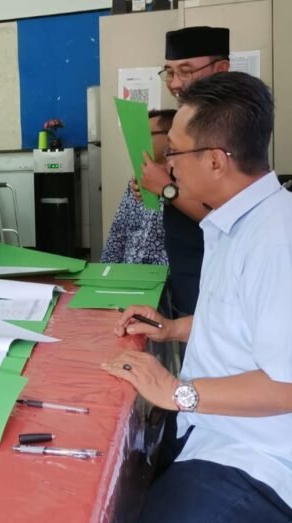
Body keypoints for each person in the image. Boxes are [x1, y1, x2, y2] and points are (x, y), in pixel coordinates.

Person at [105, 72, 292, 522]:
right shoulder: (233, 223)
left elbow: (286, 385)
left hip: (255, 459)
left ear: (215, 161)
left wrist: (177, 392)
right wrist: (173, 328)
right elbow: (242, 323)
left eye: (173, 152)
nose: (166, 166)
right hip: (210, 432)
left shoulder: (276, 241)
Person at [136, 26, 230, 316]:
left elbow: (231, 218)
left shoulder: (232, 125)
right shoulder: (187, 120)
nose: (175, 83)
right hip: (184, 270)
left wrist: (167, 188)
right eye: (169, 72)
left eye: (186, 71)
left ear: (221, 69)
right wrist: (158, 182)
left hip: (215, 276)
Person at [101, 109, 175, 265]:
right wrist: (105, 271)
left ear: (171, 137)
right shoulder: (137, 182)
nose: (140, 141)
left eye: (147, 135)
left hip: (165, 276)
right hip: (129, 273)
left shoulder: (186, 186)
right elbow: (117, 235)